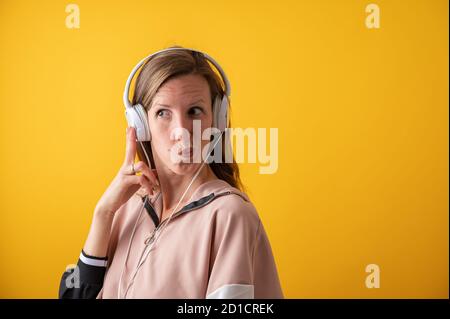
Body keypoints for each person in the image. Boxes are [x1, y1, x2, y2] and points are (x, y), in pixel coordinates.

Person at [59, 46, 283, 299]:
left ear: (217, 120)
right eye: (163, 113)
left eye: (194, 111)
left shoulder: (230, 215)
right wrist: (103, 213)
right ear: (141, 125)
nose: (181, 131)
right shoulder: (126, 208)